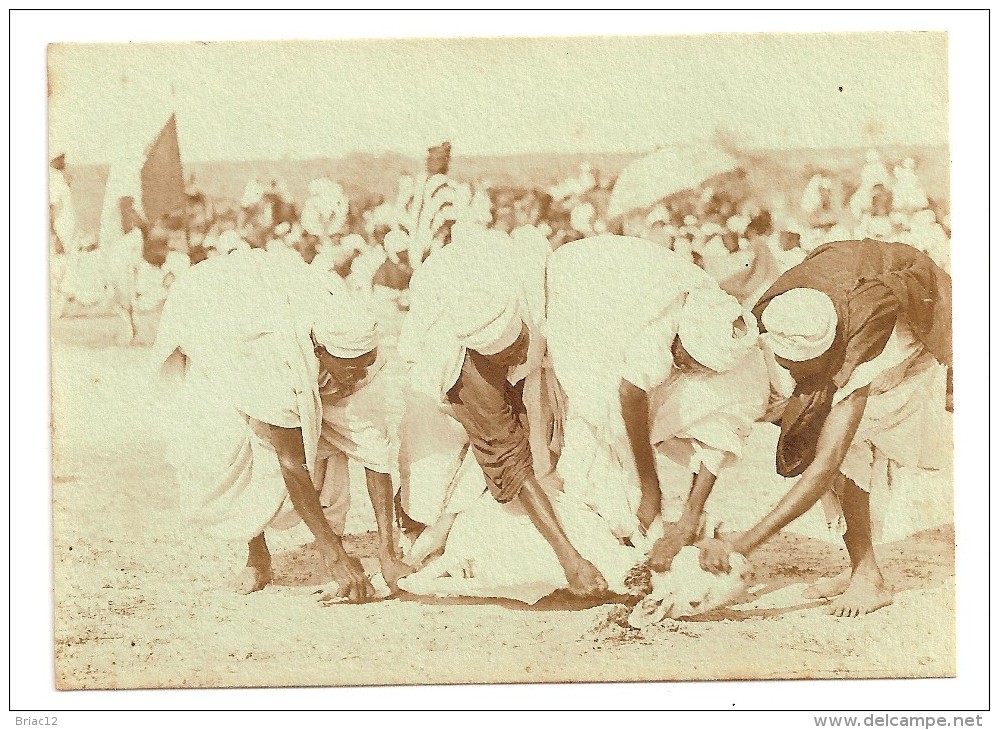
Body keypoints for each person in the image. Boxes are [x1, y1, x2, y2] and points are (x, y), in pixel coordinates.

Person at [699, 239, 952, 618]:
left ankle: (869, 578)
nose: (794, 374)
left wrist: (743, 544)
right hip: (860, 291)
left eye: (804, 367)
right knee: (821, 426)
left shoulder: (862, 347)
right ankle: (859, 568)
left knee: (848, 449)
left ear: (827, 350)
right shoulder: (781, 306)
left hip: (913, 319)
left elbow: (823, 469)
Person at [152, 249, 412, 601]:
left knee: (336, 435)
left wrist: (388, 551)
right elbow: (292, 462)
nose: (359, 377)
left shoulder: (358, 353)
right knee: (236, 440)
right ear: (320, 353)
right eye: (351, 369)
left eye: (366, 366)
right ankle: (256, 552)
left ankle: (336, 544)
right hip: (214, 313)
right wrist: (335, 554)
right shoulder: (276, 362)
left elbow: (373, 453)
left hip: (279, 289)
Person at [396, 222, 608, 598]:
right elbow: (508, 456)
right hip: (438, 339)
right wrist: (570, 560)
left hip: (478, 278)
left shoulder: (525, 295)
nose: (519, 357)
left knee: (528, 439)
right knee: (438, 467)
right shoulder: (464, 371)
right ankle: (420, 529)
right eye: (506, 357)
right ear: (484, 357)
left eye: (520, 345)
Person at [545, 235, 766, 570]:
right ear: (681, 339)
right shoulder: (661, 328)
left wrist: (691, 515)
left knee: (645, 418)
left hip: (621, 282)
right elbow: (629, 395)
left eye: (697, 368)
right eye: (687, 361)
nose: (689, 370)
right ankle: (603, 523)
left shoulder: (730, 335)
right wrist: (652, 492)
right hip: (581, 287)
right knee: (599, 418)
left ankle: (624, 522)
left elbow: (720, 434)